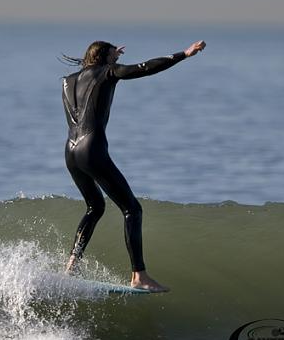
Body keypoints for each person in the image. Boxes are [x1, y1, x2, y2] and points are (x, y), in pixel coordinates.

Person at [62, 39, 206, 292]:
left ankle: (72, 264)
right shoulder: (108, 71)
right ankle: (139, 276)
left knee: (95, 207)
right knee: (132, 209)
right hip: (92, 149)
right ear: (104, 57)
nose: (118, 59)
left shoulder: (67, 81)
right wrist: (184, 54)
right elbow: (145, 68)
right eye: (114, 55)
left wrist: (108, 55)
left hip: (71, 151)